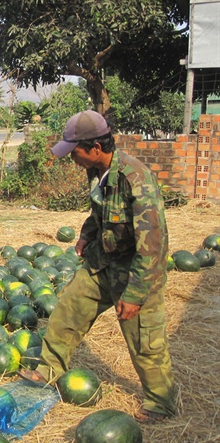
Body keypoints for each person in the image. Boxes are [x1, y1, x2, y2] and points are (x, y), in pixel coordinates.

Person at [19, 110, 177, 423]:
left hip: (134, 271)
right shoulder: (97, 172)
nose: (71, 157)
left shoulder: (135, 179)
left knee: (145, 341)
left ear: (94, 148)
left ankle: (161, 403)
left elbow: (153, 245)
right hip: (101, 263)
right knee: (69, 311)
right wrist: (85, 236)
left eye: (74, 151)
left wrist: (135, 293)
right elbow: (100, 213)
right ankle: (49, 369)